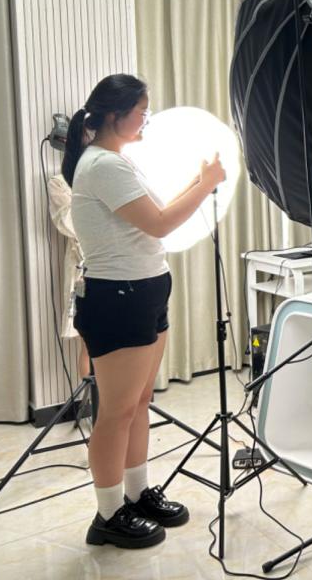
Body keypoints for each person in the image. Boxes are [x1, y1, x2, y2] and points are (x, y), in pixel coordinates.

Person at [62, 74, 226, 549]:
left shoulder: (118, 161)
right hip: (118, 296)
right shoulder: (102, 165)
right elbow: (160, 224)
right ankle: (108, 514)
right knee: (116, 411)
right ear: (116, 115)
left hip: (145, 288)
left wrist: (199, 181)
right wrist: (206, 185)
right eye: (142, 112)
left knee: (137, 403)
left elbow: (154, 217)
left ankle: (135, 495)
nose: (147, 120)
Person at [48, 173, 90, 380]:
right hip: (83, 265)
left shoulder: (104, 174)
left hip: (117, 262)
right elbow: (69, 222)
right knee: (89, 341)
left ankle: (120, 397)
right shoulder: (59, 182)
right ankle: (93, 397)